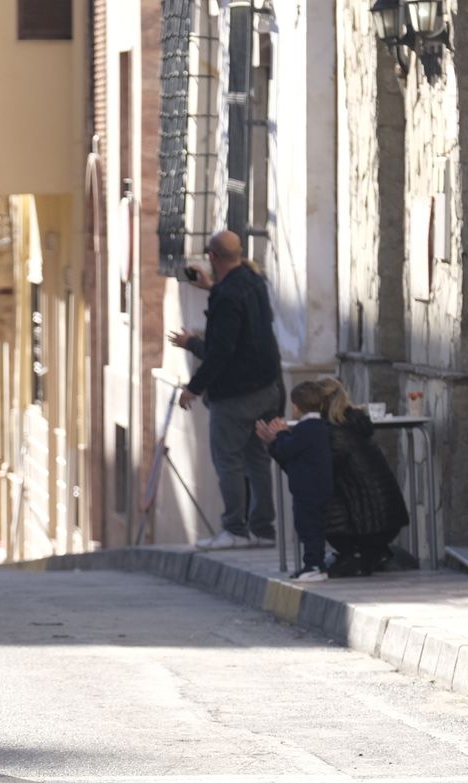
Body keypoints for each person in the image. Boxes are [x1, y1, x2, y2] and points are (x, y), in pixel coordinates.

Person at [170, 230, 284, 551]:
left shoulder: (227, 296)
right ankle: (263, 530)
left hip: (236, 394)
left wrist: (193, 380)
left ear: (212, 257)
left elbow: (221, 351)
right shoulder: (254, 281)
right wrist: (211, 287)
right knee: (256, 459)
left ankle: (234, 528)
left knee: (229, 460)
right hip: (268, 387)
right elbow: (242, 317)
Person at [317, 378, 409, 576]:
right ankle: (372, 552)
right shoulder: (354, 424)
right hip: (386, 519)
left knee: (318, 494)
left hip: (369, 525)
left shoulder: (335, 432)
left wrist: (279, 446)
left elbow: (319, 470)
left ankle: (355, 553)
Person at [256, 381, 333, 582]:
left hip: (310, 489)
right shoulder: (319, 427)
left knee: (310, 528)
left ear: (296, 407)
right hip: (312, 487)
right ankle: (312, 565)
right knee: (307, 527)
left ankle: (315, 565)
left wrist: (280, 433)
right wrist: (274, 441)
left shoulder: (308, 429)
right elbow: (289, 453)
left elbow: (287, 449)